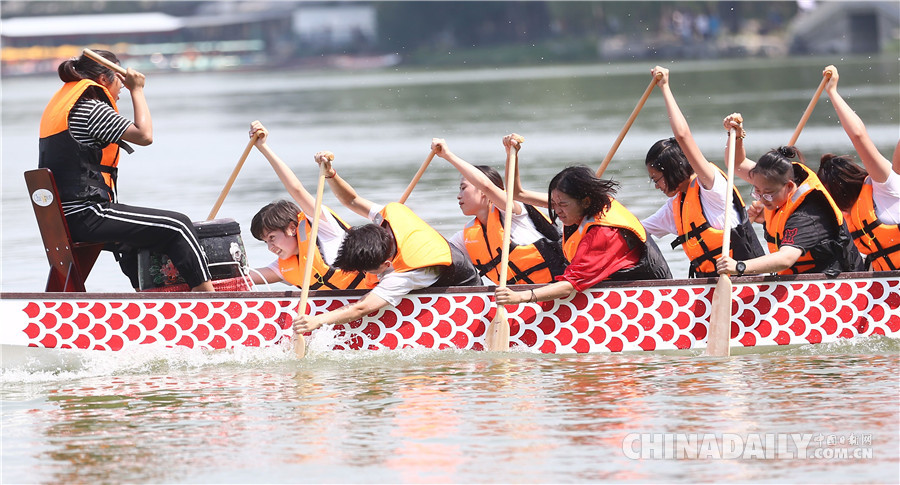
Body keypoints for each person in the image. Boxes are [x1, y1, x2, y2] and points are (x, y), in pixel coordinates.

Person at [39, 49, 213, 291]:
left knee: (134, 242)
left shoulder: (67, 106)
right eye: (119, 80)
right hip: (86, 214)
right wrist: (137, 90)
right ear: (103, 79)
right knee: (178, 226)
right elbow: (144, 135)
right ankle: (211, 302)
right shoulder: (90, 109)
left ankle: (149, 303)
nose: (122, 87)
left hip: (67, 217)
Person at [293, 152, 479, 333]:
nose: (365, 274)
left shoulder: (403, 275)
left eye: (367, 271)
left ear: (386, 264)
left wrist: (317, 320)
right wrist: (331, 175)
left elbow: (362, 308)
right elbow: (352, 200)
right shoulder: (391, 217)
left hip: (469, 301)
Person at [640, 66, 764, 277]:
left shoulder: (710, 186)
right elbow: (634, 230)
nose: (656, 186)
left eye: (657, 179)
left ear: (672, 170)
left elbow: (683, 137)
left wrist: (665, 87)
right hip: (709, 287)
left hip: (749, 282)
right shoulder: (674, 207)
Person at [496, 166, 671, 307]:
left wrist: (520, 298)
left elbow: (569, 286)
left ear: (586, 201)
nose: (557, 211)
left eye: (563, 204)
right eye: (554, 204)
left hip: (652, 299)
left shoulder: (603, 233)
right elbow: (518, 194)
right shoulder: (590, 205)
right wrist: (513, 155)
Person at [716, 113, 864, 277]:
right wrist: (736, 135)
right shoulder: (772, 178)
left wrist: (739, 266)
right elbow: (737, 164)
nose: (763, 199)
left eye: (769, 194)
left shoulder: (807, 216)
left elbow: (785, 259)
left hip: (838, 286)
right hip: (800, 283)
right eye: (757, 191)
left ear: (789, 186)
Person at [247, 121, 376, 290]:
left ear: (293, 228)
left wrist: (263, 147)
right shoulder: (282, 267)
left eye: (272, 238)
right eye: (265, 242)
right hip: (344, 314)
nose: (271, 248)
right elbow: (243, 278)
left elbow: (297, 190)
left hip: (380, 303)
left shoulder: (323, 227)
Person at [432, 135, 566, 285]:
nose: (458, 196)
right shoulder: (465, 236)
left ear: (483, 192)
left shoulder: (512, 211)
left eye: (463, 188)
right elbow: (439, 257)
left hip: (558, 289)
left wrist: (447, 155)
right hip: (517, 300)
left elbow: (487, 186)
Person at [816, 65, 900, 271]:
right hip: (887, 290)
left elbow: (858, 136)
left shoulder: (884, 185)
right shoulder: (845, 216)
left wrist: (833, 93)